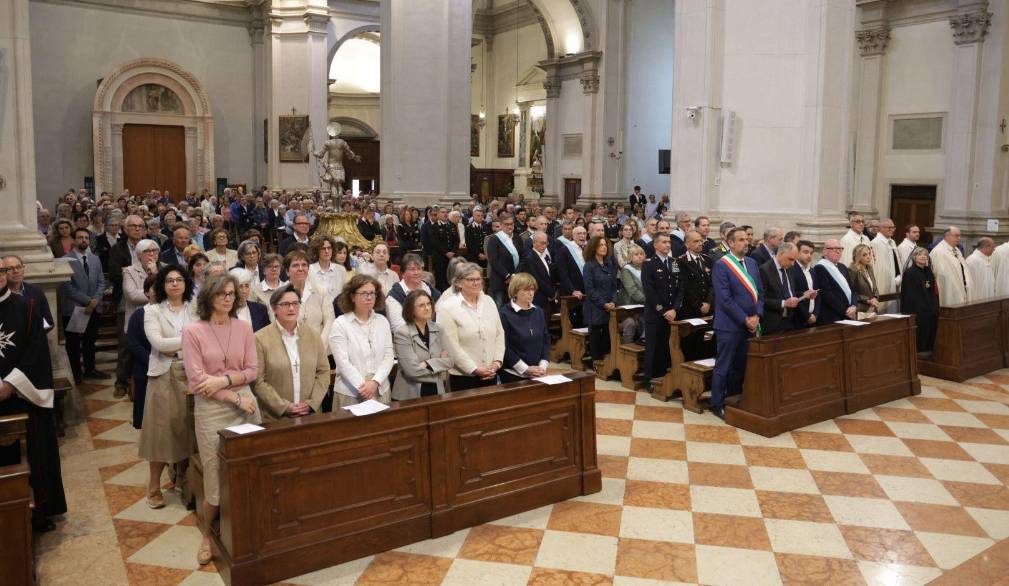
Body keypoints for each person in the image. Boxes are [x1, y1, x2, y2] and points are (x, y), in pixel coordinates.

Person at [182, 272, 261, 566]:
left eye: (231, 294)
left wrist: (223, 380)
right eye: (221, 294)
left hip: (246, 404)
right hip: (214, 408)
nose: (228, 299)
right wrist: (231, 394)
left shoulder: (243, 328)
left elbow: (252, 370)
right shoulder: (193, 331)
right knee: (215, 474)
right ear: (208, 298)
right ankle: (207, 533)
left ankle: (248, 526)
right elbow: (197, 380)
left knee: (251, 466)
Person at [0, 256, 67, 533]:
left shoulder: (27, 307)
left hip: (23, 393)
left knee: (36, 453)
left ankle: (39, 513)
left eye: (2, 270)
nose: (1, 275)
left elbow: (36, 350)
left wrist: (10, 384)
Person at [139, 265, 196, 510]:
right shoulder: (152, 310)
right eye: (169, 280)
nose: (174, 284)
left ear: (186, 284)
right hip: (163, 372)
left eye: (179, 279)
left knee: (186, 427)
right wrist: (192, 339)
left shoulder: (194, 309)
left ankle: (182, 477)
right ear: (162, 285)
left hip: (191, 371)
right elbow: (159, 343)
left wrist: (189, 343)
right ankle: (153, 486)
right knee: (160, 432)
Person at [252, 285, 329, 421]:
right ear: (274, 308)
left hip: (310, 414)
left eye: (295, 303)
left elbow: (323, 372)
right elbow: (258, 381)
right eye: (285, 304)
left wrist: (311, 404)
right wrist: (283, 407)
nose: (291, 308)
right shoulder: (260, 338)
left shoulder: (313, 335)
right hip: (275, 417)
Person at [710, 227, 763, 419]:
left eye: (747, 239)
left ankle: (734, 398)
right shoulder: (722, 265)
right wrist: (744, 319)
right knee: (724, 366)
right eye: (741, 240)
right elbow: (725, 299)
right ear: (731, 243)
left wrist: (757, 315)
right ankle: (716, 403)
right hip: (729, 326)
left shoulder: (752, 263)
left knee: (741, 366)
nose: (746, 242)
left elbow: (760, 293)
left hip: (750, 324)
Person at [329, 275, 395, 407]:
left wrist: (375, 382)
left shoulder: (382, 321)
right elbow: (343, 363)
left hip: (380, 389)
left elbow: (388, 356)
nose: (369, 297)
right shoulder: (340, 324)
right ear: (352, 296)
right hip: (350, 393)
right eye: (364, 293)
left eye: (372, 293)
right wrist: (365, 388)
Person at [437, 263, 505, 391]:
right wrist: (474, 369)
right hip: (464, 377)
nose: (475, 283)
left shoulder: (489, 301)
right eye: (470, 279)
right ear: (458, 283)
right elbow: (451, 346)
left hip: (491, 373)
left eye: (478, 279)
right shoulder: (448, 307)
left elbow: (499, 334)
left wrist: (497, 362)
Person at [60, 228, 108, 383]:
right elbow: (67, 287)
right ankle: (75, 373)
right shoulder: (65, 260)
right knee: (73, 343)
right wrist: (89, 301)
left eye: (86, 238)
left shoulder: (95, 259)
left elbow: (102, 282)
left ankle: (90, 369)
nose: (83, 240)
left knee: (90, 341)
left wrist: (94, 301)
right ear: (73, 240)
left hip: (93, 308)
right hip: (75, 308)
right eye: (80, 237)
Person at [392, 289, 458, 399]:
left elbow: (450, 361)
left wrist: (427, 363)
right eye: (421, 305)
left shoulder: (438, 329)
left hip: (437, 391)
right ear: (411, 309)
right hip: (409, 395)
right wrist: (438, 367)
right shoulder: (402, 333)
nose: (427, 308)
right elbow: (412, 371)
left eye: (428, 304)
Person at [642, 234, 684, 382]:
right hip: (656, 313)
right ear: (655, 245)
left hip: (672, 312)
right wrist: (663, 311)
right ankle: (650, 379)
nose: (668, 245)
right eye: (664, 242)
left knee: (667, 347)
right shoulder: (648, 264)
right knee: (653, 347)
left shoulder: (674, 262)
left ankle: (664, 376)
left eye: (669, 242)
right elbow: (649, 291)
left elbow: (680, 287)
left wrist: (675, 309)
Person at [499, 273, 551, 383]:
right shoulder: (504, 314)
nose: (531, 293)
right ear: (515, 291)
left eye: (532, 289)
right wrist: (525, 369)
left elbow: (546, 340)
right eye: (526, 290)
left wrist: (543, 365)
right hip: (513, 374)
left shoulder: (539, 311)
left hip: (538, 373)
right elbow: (504, 347)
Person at [285, 250, 335, 347]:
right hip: (292, 350)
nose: (301, 269)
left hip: (320, 348)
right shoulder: (281, 295)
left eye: (304, 265)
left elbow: (329, 320)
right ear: (287, 271)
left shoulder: (321, 291)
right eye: (295, 265)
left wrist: (320, 346)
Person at [126, 275, 156, 429]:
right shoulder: (139, 315)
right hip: (145, 366)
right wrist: (152, 360)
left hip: (168, 366)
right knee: (144, 408)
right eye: (153, 288)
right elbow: (133, 343)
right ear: (146, 293)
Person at [582, 235, 618, 363]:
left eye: (605, 245)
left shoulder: (609, 264)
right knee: (596, 336)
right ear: (593, 247)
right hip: (595, 307)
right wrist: (604, 304)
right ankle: (596, 362)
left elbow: (614, 286)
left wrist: (613, 301)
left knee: (608, 336)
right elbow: (590, 290)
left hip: (610, 306)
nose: (603, 247)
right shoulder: (589, 266)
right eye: (600, 245)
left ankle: (607, 363)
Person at [385, 253, 442, 332]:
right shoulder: (394, 297)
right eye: (412, 269)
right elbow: (399, 329)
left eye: (419, 268)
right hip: (407, 341)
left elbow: (441, 320)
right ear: (403, 273)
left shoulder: (433, 292)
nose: (416, 272)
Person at [900, 247, 940, 354]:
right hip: (918, 311)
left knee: (930, 333)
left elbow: (933, 291)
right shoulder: (910, 273)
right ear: (914, 257)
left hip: (930, 309)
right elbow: (910, 295)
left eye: (925, 255)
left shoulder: (928, 271)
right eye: (920, 254)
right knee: (920, 335)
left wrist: (934, 306)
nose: (923, 257)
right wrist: (924, 308)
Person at [758, 242, 802, 335]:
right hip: (772, 323)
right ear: (781, 254)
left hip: (790, 321)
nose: (793, 263)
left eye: (794, 260)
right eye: (790, 259)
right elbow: (760, 299)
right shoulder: (765, 270)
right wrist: (783, 303)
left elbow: (790, 292)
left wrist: (804, 295)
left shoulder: (789, 268)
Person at [2, 254, 54, 333]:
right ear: (3, 272)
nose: (16, 271)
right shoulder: (2, 295)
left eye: (19, 267)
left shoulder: (36, 291)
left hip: (36, 341)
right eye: (10, 268)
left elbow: (48, 321)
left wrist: (34, 333)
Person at [813, 239, 857, 325]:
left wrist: (854, 305)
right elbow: (827, 294)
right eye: (834, 249)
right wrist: (845, 311)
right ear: (825, 251)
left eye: (840, 249)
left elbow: (852, 289)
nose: (838, 251)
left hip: (849, 312)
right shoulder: (820, 267)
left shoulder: (842, 267)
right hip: (832, 316)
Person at [123, 239, 162, 333]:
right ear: (139, 254)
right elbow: (133, 296)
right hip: (138, 318)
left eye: (155, 250)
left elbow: (169, 293)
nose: (152, 254)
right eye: (147, 251)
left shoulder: (165, 268)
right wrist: (160, 295)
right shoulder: (129, 271)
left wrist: (155, 274)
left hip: (160, 318)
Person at [487, 212, 524, 306]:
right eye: (506, 224)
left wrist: (515, 275)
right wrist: (507, 276)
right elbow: (494, 261)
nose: (509, 226)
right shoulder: (494, 239)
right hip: (500, 281)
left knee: (515, 309)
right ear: (501, 225)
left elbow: (523, 258)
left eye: (511, 224)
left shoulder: (517, 238)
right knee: (499, 309)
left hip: (516, 281)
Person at [929, 227, 973, 306]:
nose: (959, 238)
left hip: (962, 288)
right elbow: (940, 275)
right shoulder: (938, 251)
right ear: (947, 236)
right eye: (956, 236)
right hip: (949, 290)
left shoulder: (957, 250)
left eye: (960, 236)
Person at [518, 231, 557, 313]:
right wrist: (550, 293)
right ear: (534, 243)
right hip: (537, 298)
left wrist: (554, 291)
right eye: (542, 243)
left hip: (548, 299)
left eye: (546, 243)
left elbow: (550, 276)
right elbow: (536, 280)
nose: (544, 246)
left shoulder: (546, 257)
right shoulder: (529, 258)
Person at [868, 219, 901, 313]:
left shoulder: (892, 242)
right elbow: (875, 266)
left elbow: (896, 261)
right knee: (884, 310)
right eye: (889, 227)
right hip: (882, 281)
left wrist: (898, 275)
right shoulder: (875, 243)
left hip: (895, 280)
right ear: (880, 228)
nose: (892, 230)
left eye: (893, 227)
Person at [618, 245, 646, 343]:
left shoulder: (645, 268)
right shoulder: (626, 270)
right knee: (633, 323)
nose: (640, 256)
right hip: (630, 307)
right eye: (636, 254)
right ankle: (629, 348)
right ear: (630, 257)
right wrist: (648, 299)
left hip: (643, 306)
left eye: (641, 254)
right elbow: (632, 290)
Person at [789, 240, 819, 327]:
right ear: (797, 253)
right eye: (805, 252)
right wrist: (807, 316)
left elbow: (818, 293)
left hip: (814, 318)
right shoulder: (792, 270)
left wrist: (815, 314)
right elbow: (793, 294)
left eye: (811, 253)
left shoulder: (812, 271)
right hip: (798, 319)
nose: (809, 256)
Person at [308, 236, 347, 303]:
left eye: (329, 248)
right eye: (323, 248)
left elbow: (345, 293)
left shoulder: (341, 270)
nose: (327, 251)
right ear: (317, 251)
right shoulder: (310, 269)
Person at [849, 243, 881, 317]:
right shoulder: (853, 270)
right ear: (857, 257)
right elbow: (851, 292)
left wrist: (875, 298)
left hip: (873, 308)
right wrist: (867, 300)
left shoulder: (869, 268)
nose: (868, 257)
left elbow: (874, 287)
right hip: (861, 309)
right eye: (864, 255)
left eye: (869, 254)